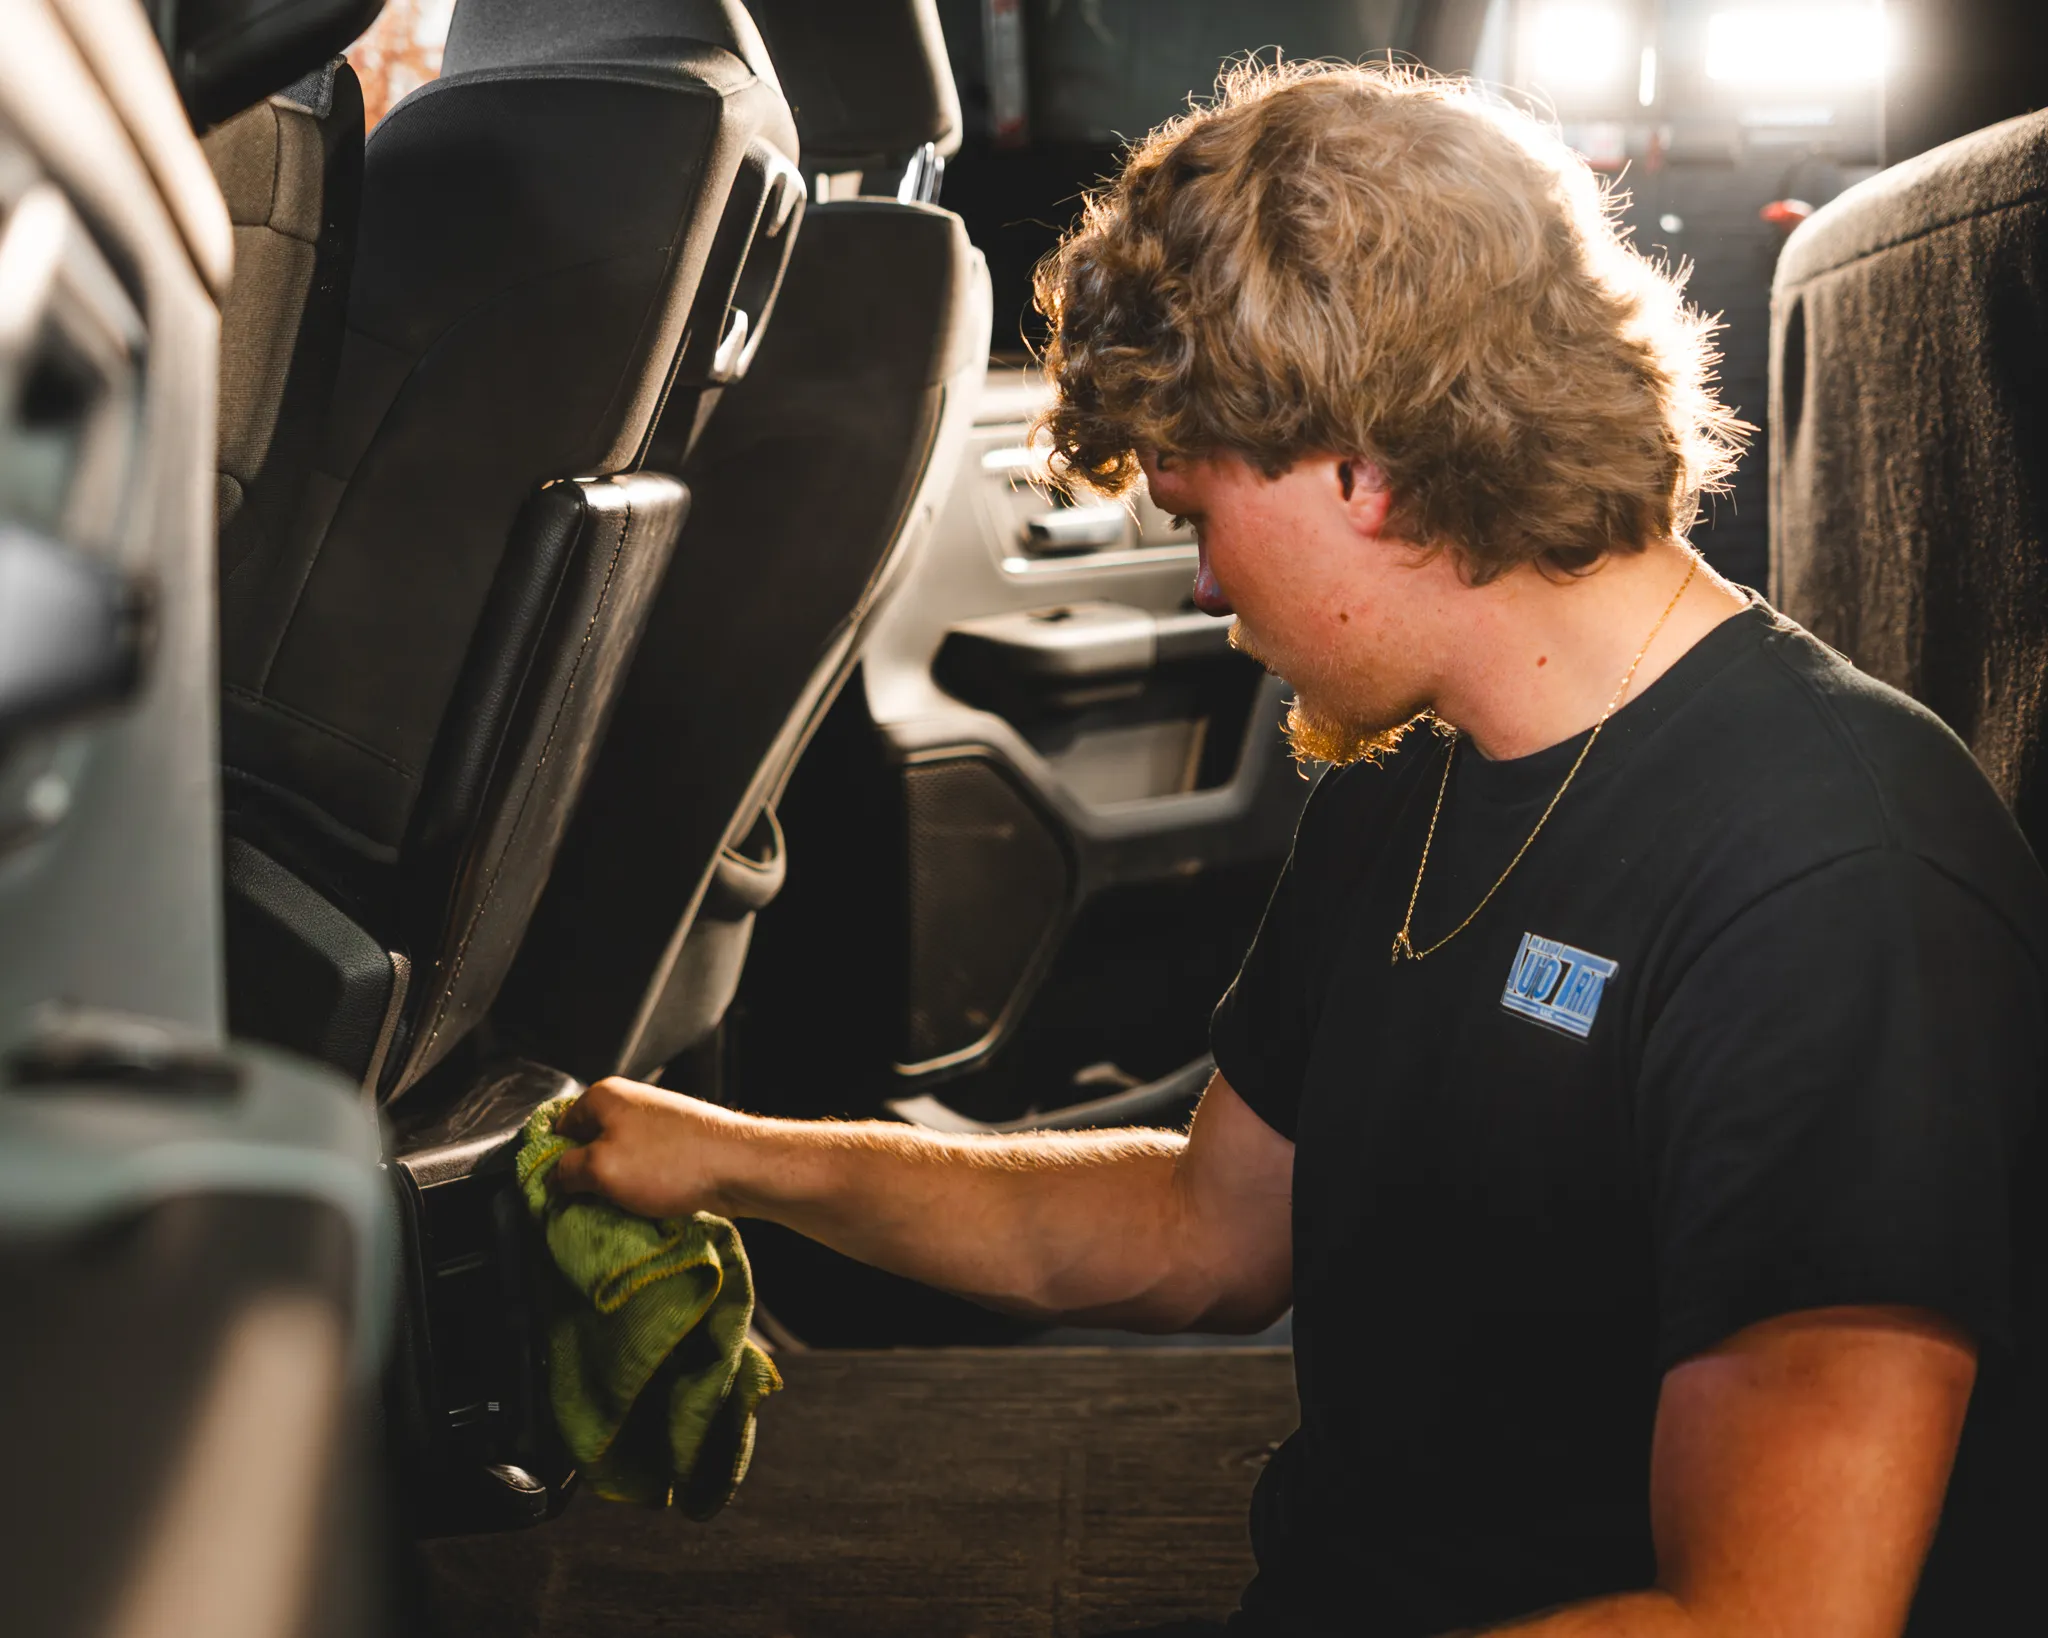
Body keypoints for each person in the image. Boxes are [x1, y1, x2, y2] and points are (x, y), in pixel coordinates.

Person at [552, 63, 2046, 1638]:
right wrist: (731, 1155)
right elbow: (1206, 1229)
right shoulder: (1413, 769)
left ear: (1367, 464)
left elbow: (1766, 1619)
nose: (1201, 587)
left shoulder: (1833, 887)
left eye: (1202, 513)